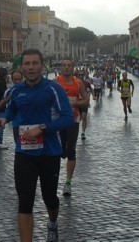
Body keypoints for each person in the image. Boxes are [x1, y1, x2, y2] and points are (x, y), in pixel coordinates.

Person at [0, 49, 74, 242]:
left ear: (42, 66)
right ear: (22, 67)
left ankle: (53, 224)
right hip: (24, 153)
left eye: (35, 63)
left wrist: (43, 128)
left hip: (49, 152)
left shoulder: (53, 89)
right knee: (25, 200)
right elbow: (12, 110)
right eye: (27, 64)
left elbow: (68, 119)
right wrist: (4, 120)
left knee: (50, 199)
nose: (31, 67)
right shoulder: (17, 90)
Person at [54, 58, 89, 197]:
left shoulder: (78, 82)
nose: (67, 68)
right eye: (64, 65)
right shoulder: (56, 82)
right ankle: (54, 178)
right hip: (58, 119)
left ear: (73, 68)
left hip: (73, 119)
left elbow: (86, 99)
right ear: (61, 68)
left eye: (69, 66)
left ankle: (68, 182)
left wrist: (76, 104)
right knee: (58, 150)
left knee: (71, 149)